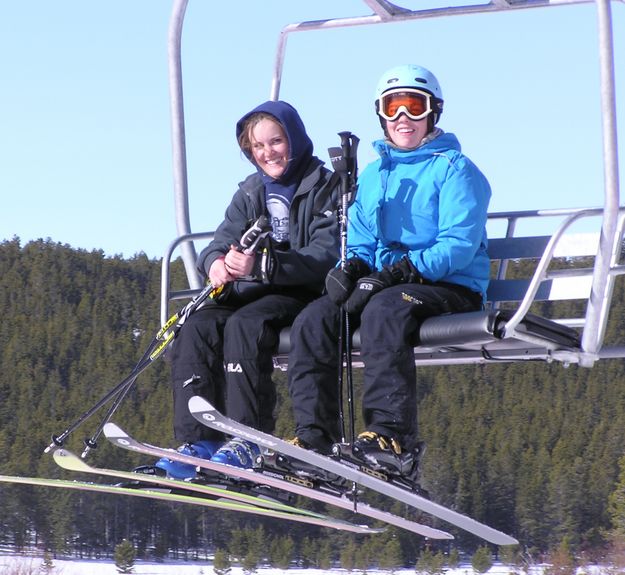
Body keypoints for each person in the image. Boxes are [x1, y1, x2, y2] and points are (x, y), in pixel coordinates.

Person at [286, 64, 492, 479]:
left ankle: (393, 437)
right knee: (315, 318)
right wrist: (353, 267)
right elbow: (361, 235)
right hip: (389, 286)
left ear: (433, 112)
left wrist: (400, 273)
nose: (403, 119)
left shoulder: (455, 169)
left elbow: (458, 244)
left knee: (384, 311)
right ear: (380, 114)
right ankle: (314, 437)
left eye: (414, 107)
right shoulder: (375, 173)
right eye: (393, 107)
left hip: (448, 286)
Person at [153, 100, 340, 478]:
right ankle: (199, 438)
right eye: (258, 147)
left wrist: (268, 265)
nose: (268, 153)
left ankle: (248, 435)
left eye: (276, 142)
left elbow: (325, 252)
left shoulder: (323, 186)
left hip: (301, 289)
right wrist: (216, 264)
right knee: (197, 327)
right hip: (254, 288)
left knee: (246, 326)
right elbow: (220, 241)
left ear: (295, 139)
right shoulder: (252, 190)